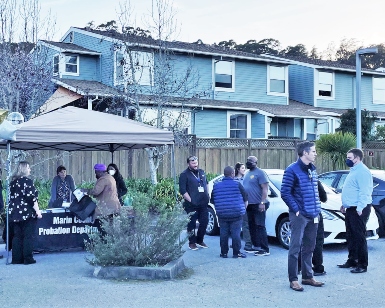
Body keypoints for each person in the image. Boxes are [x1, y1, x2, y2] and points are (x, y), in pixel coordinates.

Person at [281, 141, 324, 291]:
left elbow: (315, 191)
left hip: (313, 214)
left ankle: (307, 276)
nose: (315, 154)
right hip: (300, 215)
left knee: (310, 246)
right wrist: (296, 209)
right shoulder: (292, 170)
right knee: (295, 247)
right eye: (313, 151)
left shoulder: (313, 169)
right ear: (305, 153)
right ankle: (293, 279)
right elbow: (285, 192)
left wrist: (317, 208)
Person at [338, 148, 373, 274]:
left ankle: (362, 264)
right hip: (350, 208)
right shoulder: (353, 171)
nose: (347, 160)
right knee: (350, 235)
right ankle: (352, 259)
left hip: (359, 208)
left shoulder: (363, 172)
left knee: (359, 236)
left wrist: (360, 208)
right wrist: (344, 205)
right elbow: (352, 190)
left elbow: (365, 191)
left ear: (357, 158)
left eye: (349, 158)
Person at [8, 161, 42, 264]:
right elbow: (32, 198)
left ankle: (16, 259)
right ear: (23, 169)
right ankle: (28, 258)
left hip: (15, 213)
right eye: (28, 168)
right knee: (28, 236)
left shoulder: (13, 183)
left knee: (17, 236)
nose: (30, 169)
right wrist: (38, 212)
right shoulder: (27, 182)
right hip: (27, 213)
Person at [211, 166, 248, 258]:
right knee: (236, 233)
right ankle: (236, 253)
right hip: (236, 213)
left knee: (223, 233)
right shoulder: (237, 184)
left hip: (222, 213)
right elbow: (245, 198)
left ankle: (224, 253)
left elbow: (212, 200)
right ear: (232, 173)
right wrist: (243, 209)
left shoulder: (216, 185)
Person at [179, 155, 209, 250]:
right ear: (188, 164)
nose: (195, 165)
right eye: (193, 163)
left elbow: (206, 184)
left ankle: (199, 240)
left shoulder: (201, 172)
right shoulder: (184, 174)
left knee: (204, 222)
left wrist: (207, 194)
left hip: (203, 203)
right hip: (191, 205)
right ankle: (192, 242)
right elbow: (183, 190)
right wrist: (191, 200)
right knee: (191, 224)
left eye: (196, 163)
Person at [298, 181, 327, 276]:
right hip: (314, 213)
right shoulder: (315, 182)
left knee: (299, 239)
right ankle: (318, 266)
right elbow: (324, 198)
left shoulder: (295, 180)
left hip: (300, 213)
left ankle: (298, 266)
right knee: (317, 240)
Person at [243, 156, 270, 257]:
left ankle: (265, 249)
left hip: (258, 204)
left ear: (256, 162)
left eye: (251, 161)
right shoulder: (247, 173)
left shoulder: (260, 173)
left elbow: (265, 188)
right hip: (249, 204)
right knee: (252, 226)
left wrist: (262, 202)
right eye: (248, 161)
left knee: (260, 226)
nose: (248, 163)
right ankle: (256, 246)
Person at [86, 164, 121, 234]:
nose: (95, 174)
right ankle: (110, 242)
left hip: (105, 208)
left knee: (103, 229)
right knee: (110, 228)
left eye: (95, 172)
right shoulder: (110, 177)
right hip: (113, 207)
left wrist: (86, 191)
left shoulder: (103, 179)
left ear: (99, 172)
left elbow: (96, 191)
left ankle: (104, 243)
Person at [234, 162, 254, 253]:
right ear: (238, 169)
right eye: (242, 168)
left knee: (245, 225)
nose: (244, 170)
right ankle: (236, 243)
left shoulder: (246, 178)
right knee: (236, 225)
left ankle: (248, 244)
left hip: (245, 204)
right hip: (236, 205)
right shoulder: (234, 180)